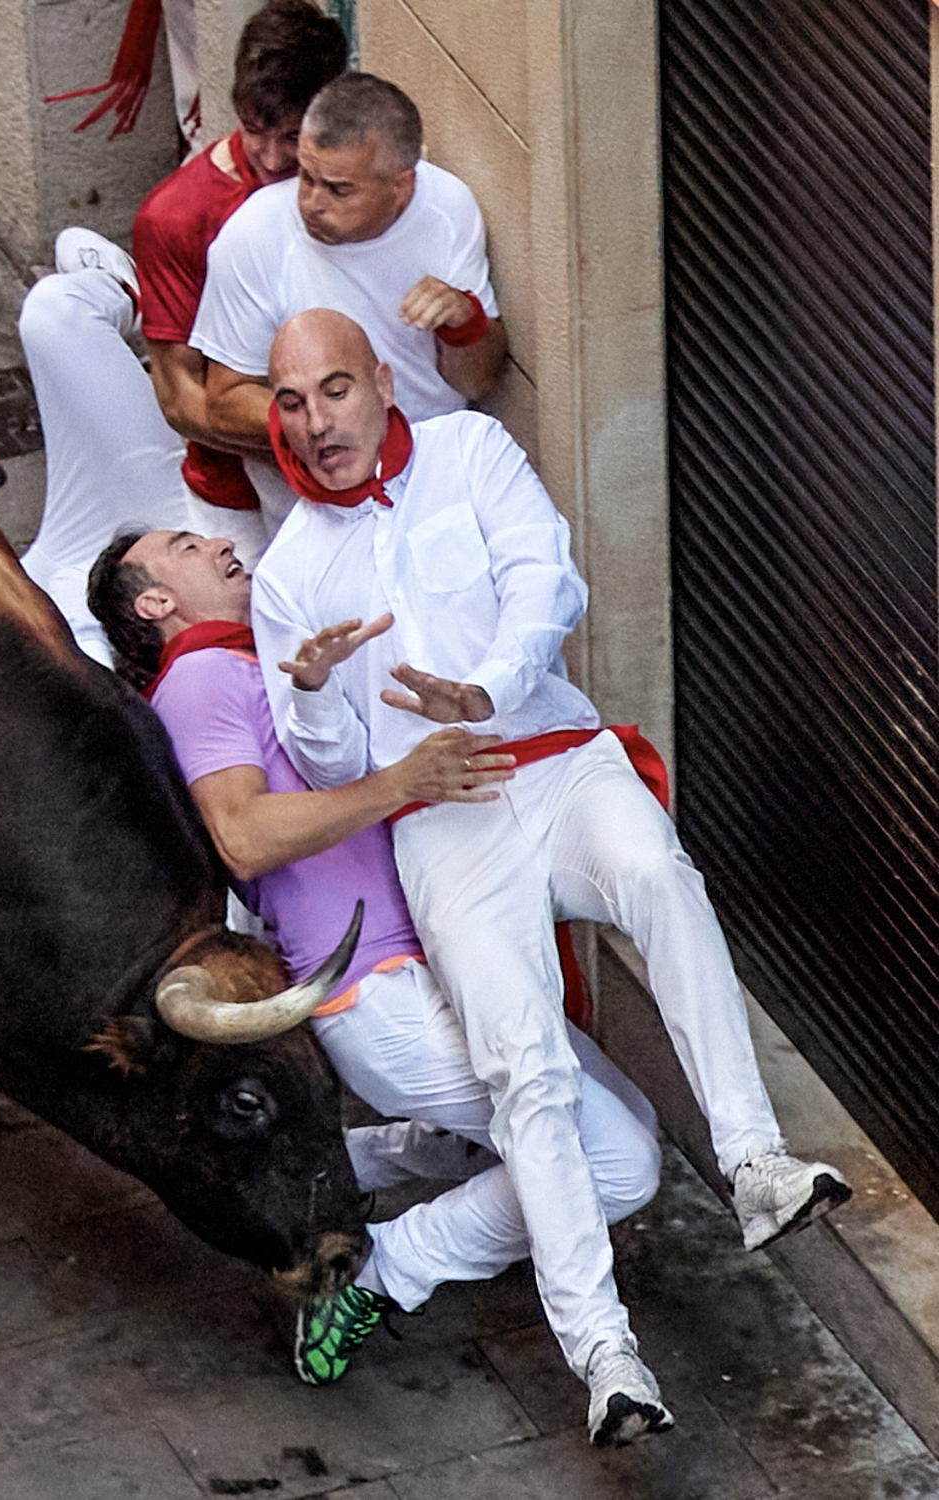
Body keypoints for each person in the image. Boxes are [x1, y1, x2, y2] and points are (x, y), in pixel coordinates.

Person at [246, 307, 853, 1446]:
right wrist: (321, 693)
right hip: (447, 817)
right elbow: (328, 764)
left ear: (380, 382)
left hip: (557, 759)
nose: (317, 421)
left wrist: (482, 686)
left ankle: (754, 1158)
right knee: (524, 1070)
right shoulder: (288, 575)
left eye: (334, 390)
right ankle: (605, 1358)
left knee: (659, 875)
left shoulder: (471, 450)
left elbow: (548, 585)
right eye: (291, 402)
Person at [86, 525, 665, 1432]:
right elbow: (243, 836)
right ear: (153, 603)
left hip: (442, 963)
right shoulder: (201, 680)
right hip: (380, 992)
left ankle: (365, 1159)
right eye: (184, 546)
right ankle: (389, 1267)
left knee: (616, 1129)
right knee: (618, 1166)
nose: (219, 544)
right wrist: (404, 781)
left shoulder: (260, 660)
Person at [20, 0, 347, 664]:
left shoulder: (353, 186)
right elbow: (181, 405)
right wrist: (332, 426)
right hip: (221, 487)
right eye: (258, 129)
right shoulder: (176, 217)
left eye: (295, 136)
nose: (274, 155)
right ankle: (110, 289)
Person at [190, 71, 508, 456]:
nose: (311, 203)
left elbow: (476, 382)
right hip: (315, 489)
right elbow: (225, 402)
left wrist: (464, 322)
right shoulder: (253, 234)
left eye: (339, 189)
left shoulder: (448, 208)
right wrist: (329, 424)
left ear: (401, 186)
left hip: (438, 464)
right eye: (306, 177)